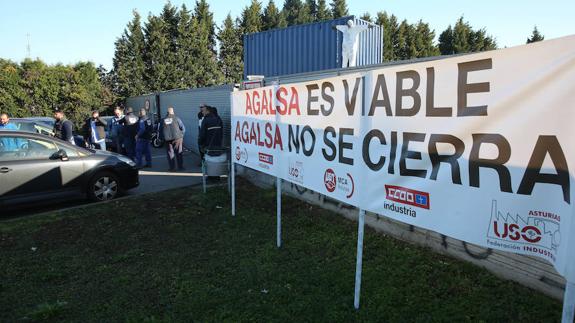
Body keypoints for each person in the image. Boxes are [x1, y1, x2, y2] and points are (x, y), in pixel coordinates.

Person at [160, 106, 186, 171]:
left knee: (170, 153)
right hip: (177, 139)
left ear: (167, 112)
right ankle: (180, 167)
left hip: (168, 140)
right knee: (179, 152)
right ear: (173, 112)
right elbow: (183, 128)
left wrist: (162, 139)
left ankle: (172, 168)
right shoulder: (177, 118)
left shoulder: (163, 120)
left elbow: (160, 130)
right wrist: (181, 135)